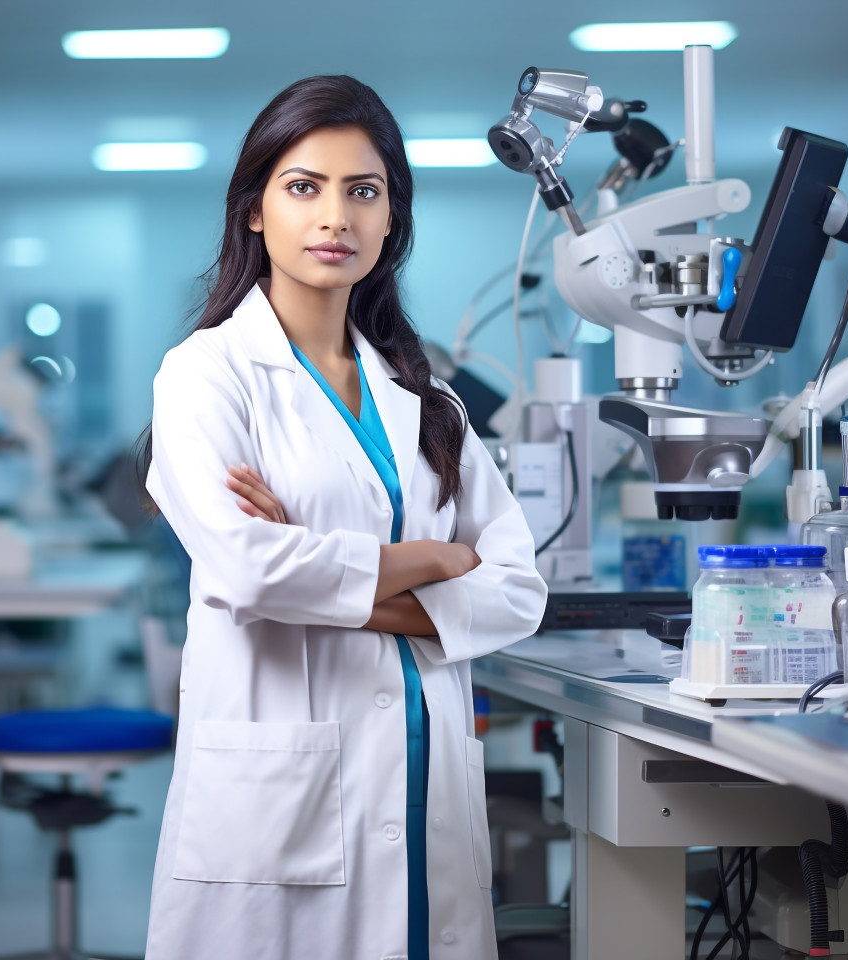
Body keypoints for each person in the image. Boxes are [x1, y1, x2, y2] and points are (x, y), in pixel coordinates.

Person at [141, 74, 548, 960]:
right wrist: (437, 558)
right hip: (279, 806)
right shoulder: (207, 375)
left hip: (422, 773)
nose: (336, 217)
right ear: (254, 211)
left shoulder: (426, 397)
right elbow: (249, 570)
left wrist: (312, 571)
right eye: (304, 187)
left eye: (364, 191)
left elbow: (519, 592)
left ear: (392, 218)